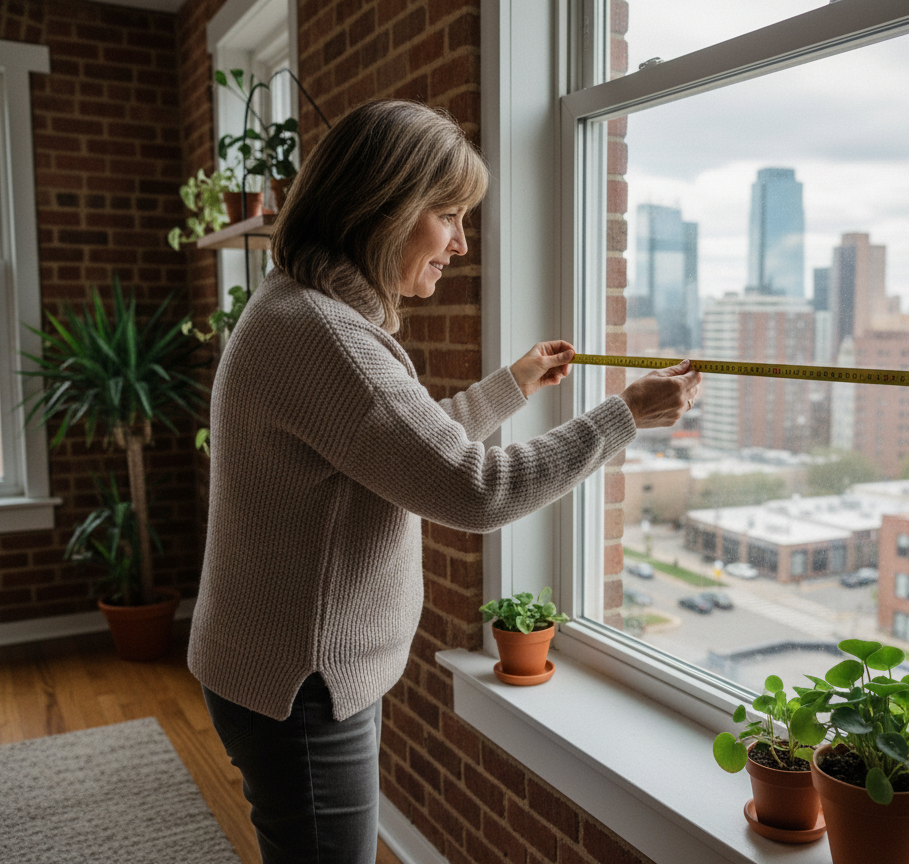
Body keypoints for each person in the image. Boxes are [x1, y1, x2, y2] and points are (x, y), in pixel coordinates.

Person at [188, 100, 700, 864]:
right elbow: (474, 488)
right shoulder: (329, 337)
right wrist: (621, 417)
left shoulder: (301, 310)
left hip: (277, 670)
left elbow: (396, 444)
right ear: (383, 209)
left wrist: (513, 385)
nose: (461, 244)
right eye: (449, 216)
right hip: (302, 690)